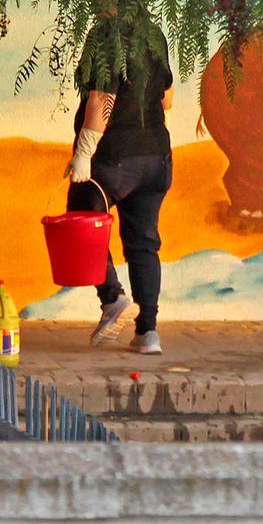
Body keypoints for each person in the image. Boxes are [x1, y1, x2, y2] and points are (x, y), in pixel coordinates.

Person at [64, 22, 174, 355]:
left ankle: (112, 298)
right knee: (144, 242)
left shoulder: (103, 35)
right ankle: (148, 331)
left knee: (82, 217)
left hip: (114, 156)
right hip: (157, 157)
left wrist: (83, 153)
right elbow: (166, 99)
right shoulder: (153, 33)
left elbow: (101, 98)